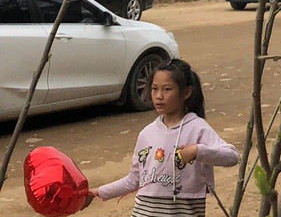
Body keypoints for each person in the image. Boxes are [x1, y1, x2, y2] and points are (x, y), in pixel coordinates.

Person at [86, 59, 239, 216]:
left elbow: (232, 156)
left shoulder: (197, 128)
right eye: (154, 89)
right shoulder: (147, 133)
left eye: (167, 89)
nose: (159, 96)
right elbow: (134, 179)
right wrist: (98, 192)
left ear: (186, 92)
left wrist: (198, 151)